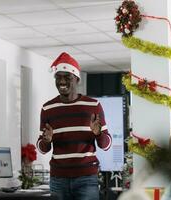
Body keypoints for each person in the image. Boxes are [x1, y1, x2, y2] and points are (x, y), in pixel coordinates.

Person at [36, 52, 112, 200]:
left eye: (67, 77)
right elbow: (41, 147)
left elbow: (106, 145)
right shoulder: (48, 108)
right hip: (58, 179)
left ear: (76, 79)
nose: (62, 81)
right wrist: (46, 140)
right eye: (58, 77)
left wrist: (98, 134)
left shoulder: (93, 105)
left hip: (86, 178)